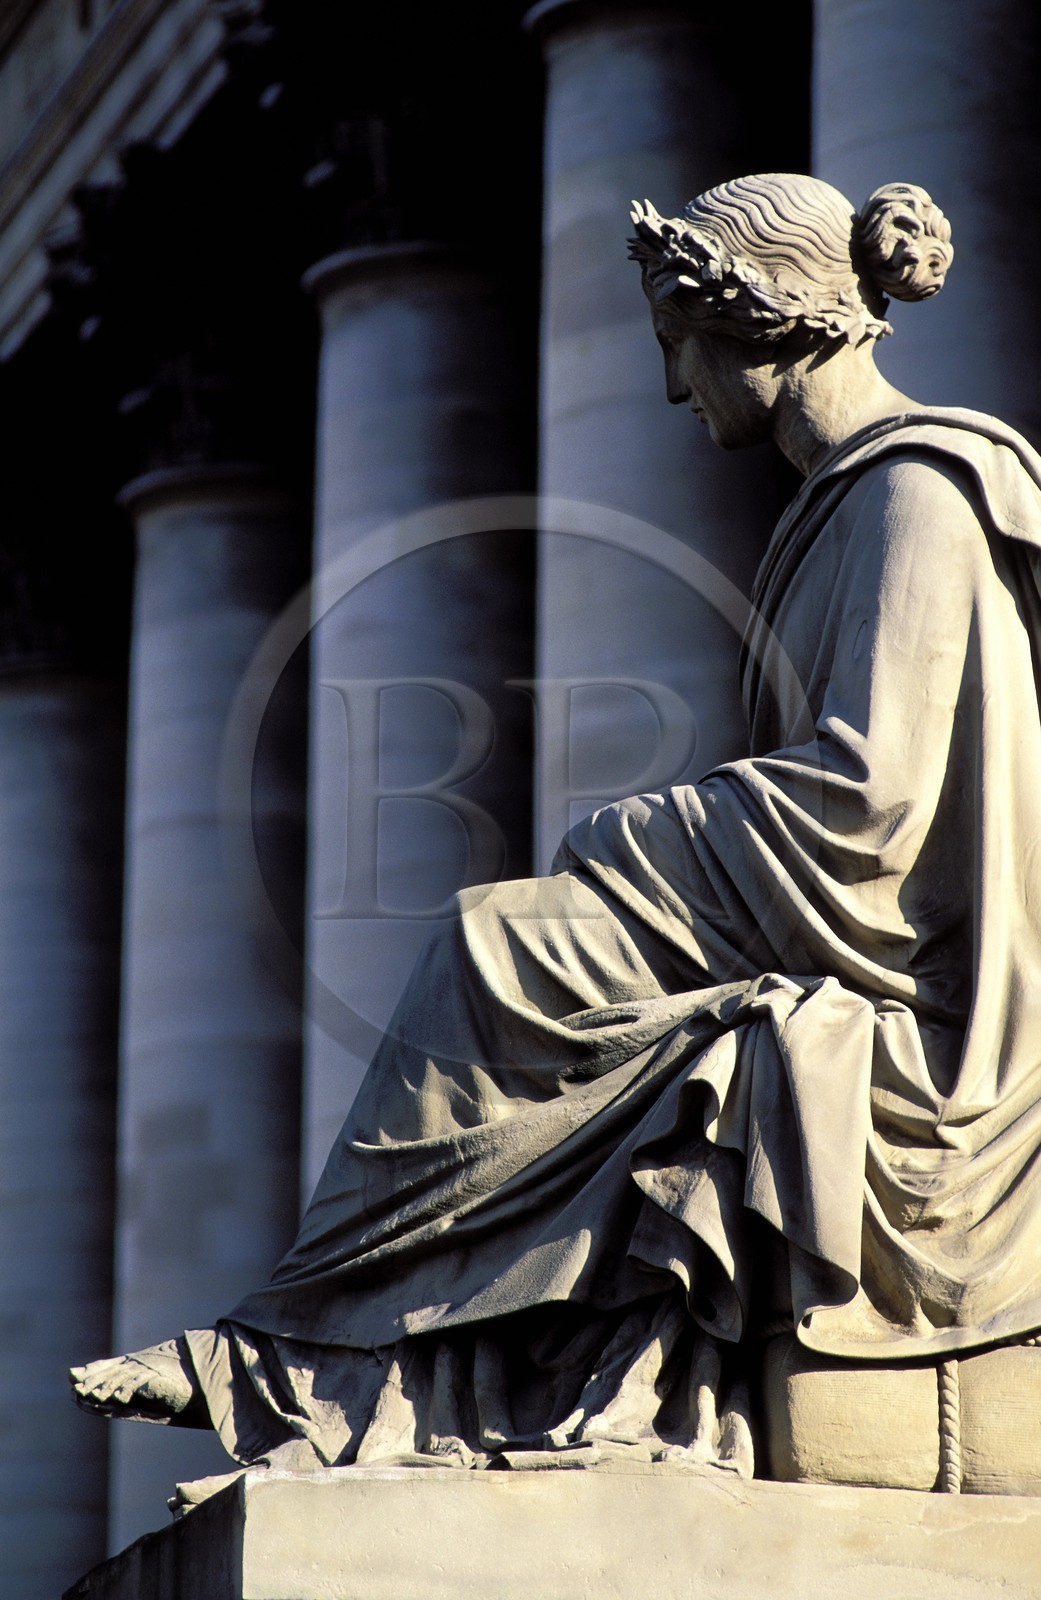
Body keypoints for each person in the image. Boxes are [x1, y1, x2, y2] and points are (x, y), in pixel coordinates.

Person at [72, 173, 1041, 1486]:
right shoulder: (839, 509)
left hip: (922, 985)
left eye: (673, 346)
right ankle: (358, 1371)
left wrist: (620, 841)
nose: (665, 389)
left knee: (501, 949)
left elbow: (873, 806)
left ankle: (312, 1359)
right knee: (515, 957)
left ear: (748, 317)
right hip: (838, 924)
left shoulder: (918, 491)